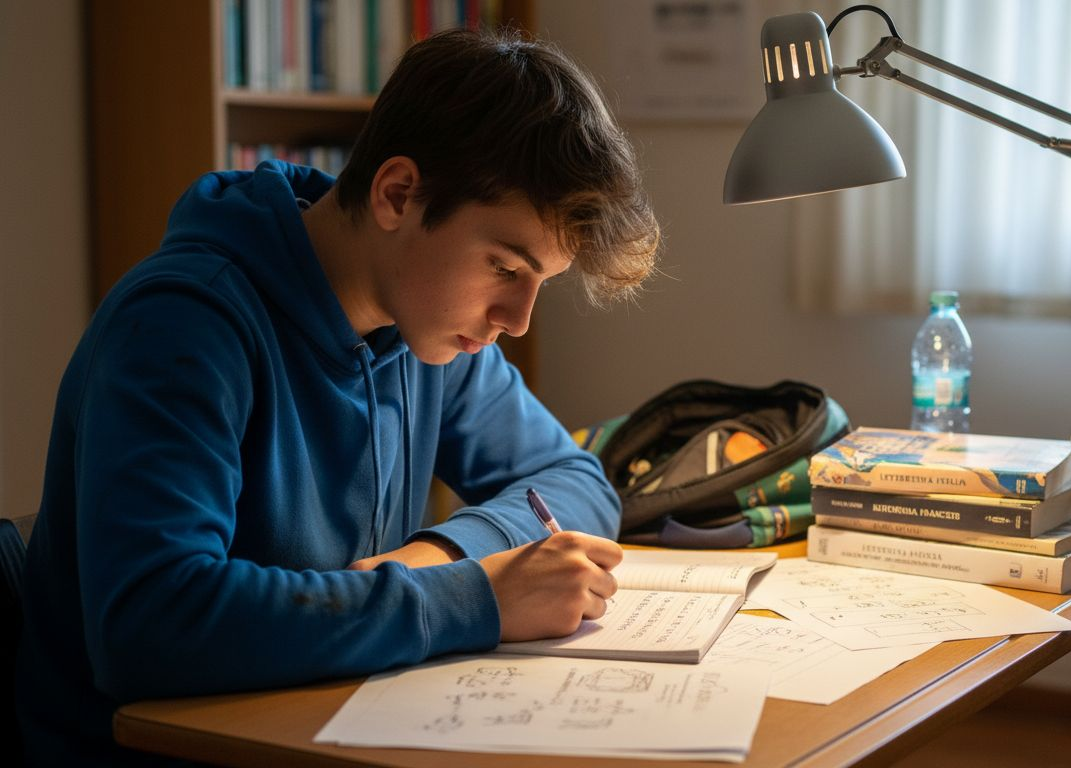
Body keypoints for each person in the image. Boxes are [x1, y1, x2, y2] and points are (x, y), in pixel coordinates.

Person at [17, 27, 660, 766]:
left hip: (329, 729)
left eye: (539, 283)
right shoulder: (181, 327)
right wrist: (474, 601)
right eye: (503, 268)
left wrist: (440, 554)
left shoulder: (430, 329)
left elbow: (575, 481)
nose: (515, 322)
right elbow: (150, 628)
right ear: (397, 195)